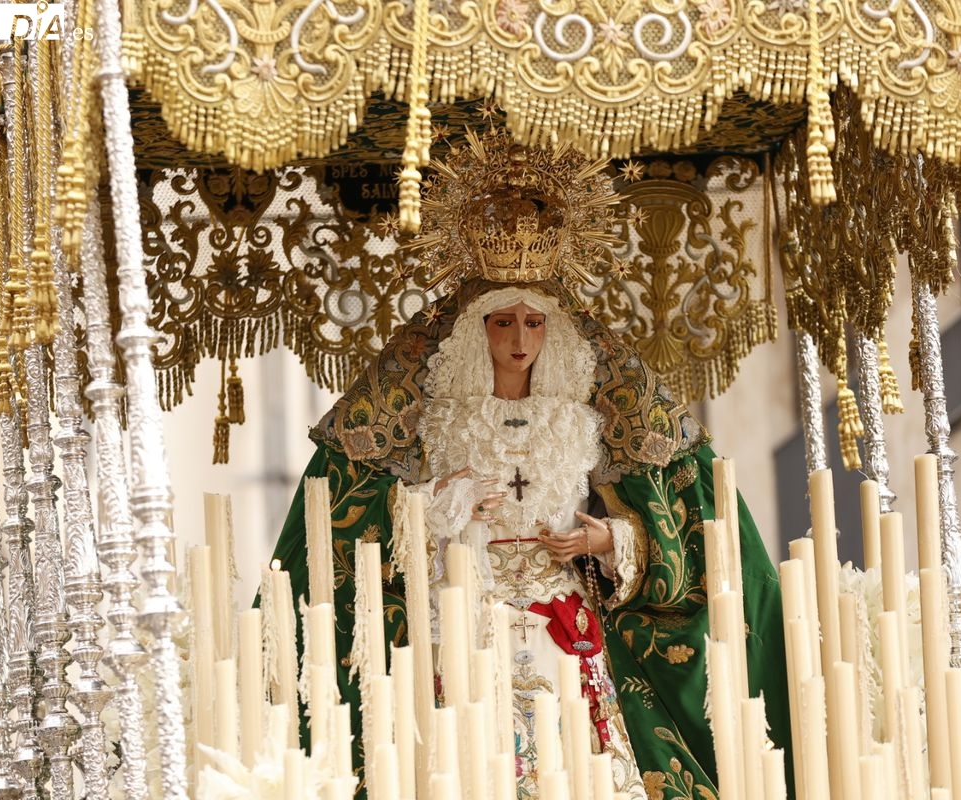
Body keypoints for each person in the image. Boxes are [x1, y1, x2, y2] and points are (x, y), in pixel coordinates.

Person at [266, 129, 792, 799]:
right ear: (473, 330)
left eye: (534, 323)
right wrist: (441, 505)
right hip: (465, 615)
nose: (519, 340)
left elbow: (658, 511)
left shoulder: (580, 418)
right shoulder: (436, 417)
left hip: (561, 611)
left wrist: (607, 540)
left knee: (575, 759)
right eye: (502, 322)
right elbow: (373, 531)